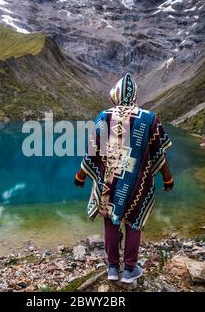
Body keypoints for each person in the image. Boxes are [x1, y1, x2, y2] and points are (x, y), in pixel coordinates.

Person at [74, 73, 174, 284]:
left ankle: (112, 267)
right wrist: (167, 178)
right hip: (137, 183)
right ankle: (129, 270)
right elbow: (159, 155)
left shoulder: (104, 116)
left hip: (109, 183)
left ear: (116, 96)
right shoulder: (149, 118)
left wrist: (81, 175)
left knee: (111, 222)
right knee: (134, 222)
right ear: (135, 95)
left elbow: (92, 152)